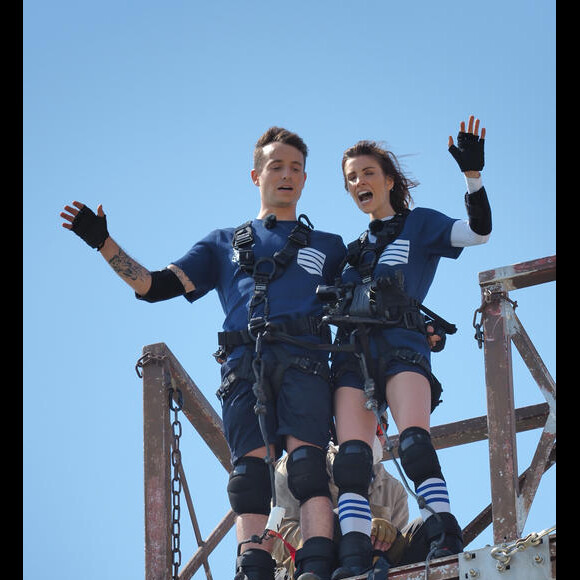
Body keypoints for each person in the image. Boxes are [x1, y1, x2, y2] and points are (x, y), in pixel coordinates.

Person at [60, 127, 348, 580]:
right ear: (256, 175)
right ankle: (253, 568)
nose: (286, 175)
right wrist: (104, 245)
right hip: (243, 366)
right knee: (249, 478)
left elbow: (359, 308)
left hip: (306, 363)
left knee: (308, 469)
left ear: (306, 179)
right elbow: (153, 287)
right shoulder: (223, 244)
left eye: (295, 168)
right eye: (276, 166)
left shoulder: (329, 247)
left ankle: (316, 565)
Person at [320, 116, 492, 579]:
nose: (359, 182)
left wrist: (472, 178)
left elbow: (478, 233)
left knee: (414, 443)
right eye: (351, 177)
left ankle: (443, 532)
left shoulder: (420, 225)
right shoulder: (350, 252)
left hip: (402, 345)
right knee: (352, 460)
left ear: (389, 180)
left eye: (367, 173)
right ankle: (353, 555)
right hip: (352, 355)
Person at [271, 433, 409, 580]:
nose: (371, 432)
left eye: (380, 430)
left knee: (422, 529)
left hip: (372, 567)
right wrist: (346, 527)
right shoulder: (296, 467)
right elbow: (276, 537)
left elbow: (397, 550)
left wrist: (389, 533)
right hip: (303, 567)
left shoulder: (394, 489)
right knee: (337, 520)